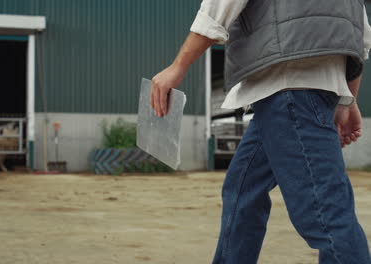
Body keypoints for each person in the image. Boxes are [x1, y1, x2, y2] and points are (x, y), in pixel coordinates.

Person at [151, 0, 371, 263]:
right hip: (298, 95)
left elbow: (220, 4)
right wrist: (348, 100)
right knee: (243, 190)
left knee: (326, 215)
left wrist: (178, 66)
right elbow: (360, 38)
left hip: (288, 90)